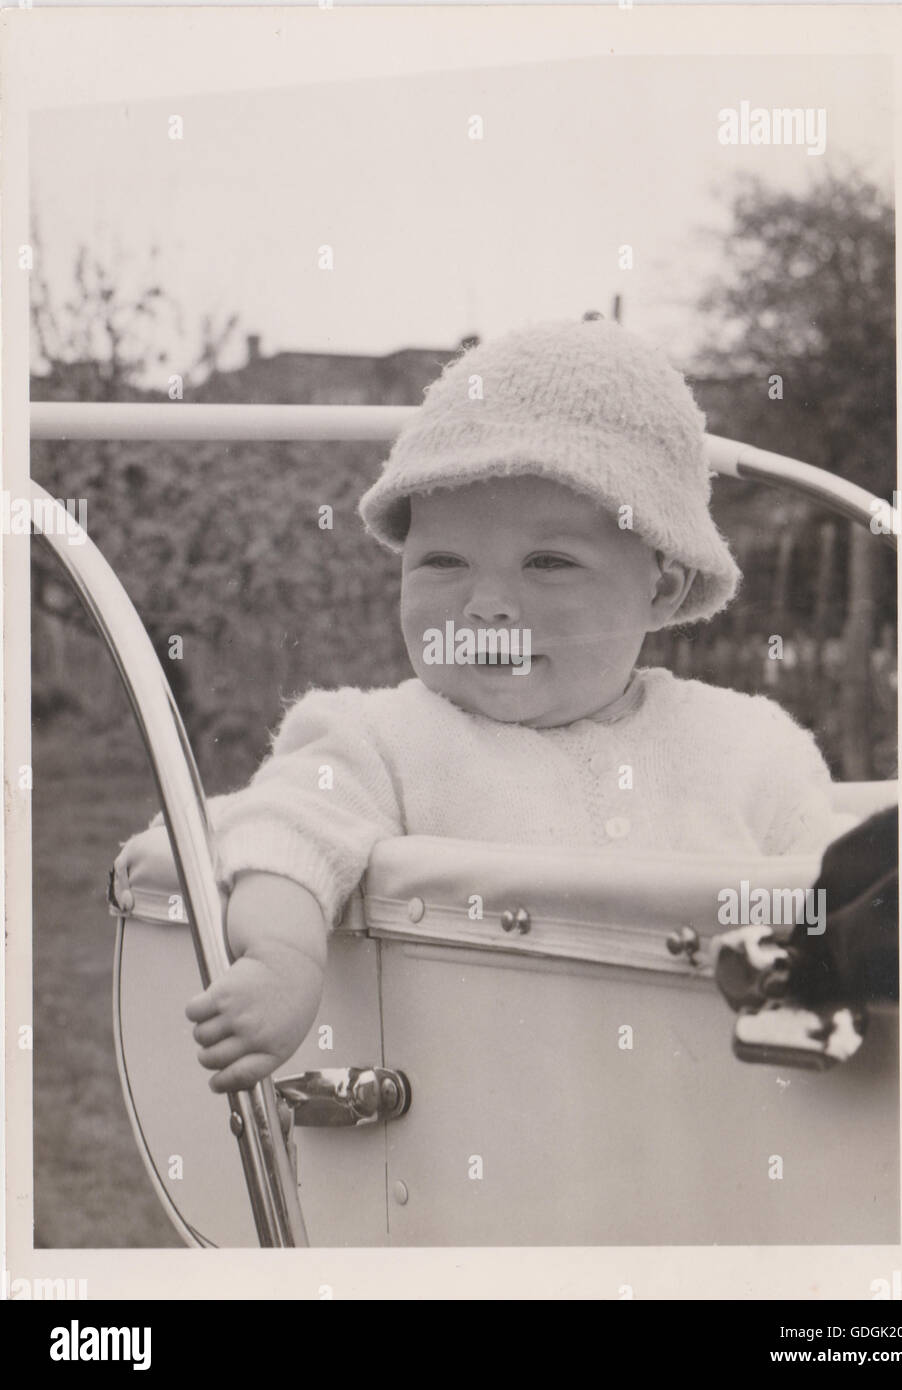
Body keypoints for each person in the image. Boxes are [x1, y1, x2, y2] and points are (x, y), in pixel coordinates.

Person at [155, 318, 854, 1093]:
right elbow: (283, 836)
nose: (485, 606)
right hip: (483, 1137)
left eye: (547, 563)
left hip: (713, 1136)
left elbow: (838, 886)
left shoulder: (746, 744)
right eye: (442, 562)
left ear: (662, 588)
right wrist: (282, 960)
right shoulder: (378, 739)